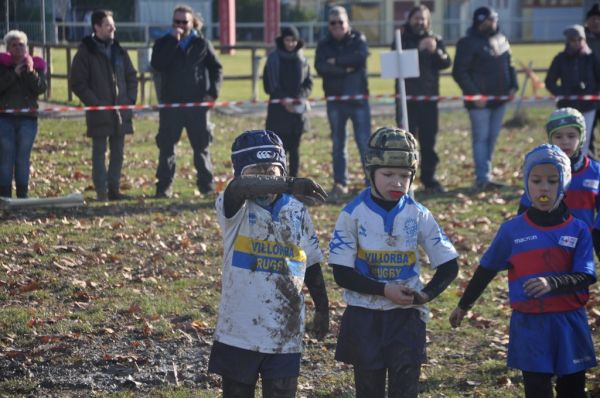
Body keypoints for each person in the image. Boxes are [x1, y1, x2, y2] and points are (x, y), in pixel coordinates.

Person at [450, 144, 597, 397]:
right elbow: (486, 269)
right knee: (537, 389)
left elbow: (586, 275)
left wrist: (552, 283)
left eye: (552, 181)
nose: (544, 188)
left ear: (563, 185)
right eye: (536, 180)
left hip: (569, 322)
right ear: (526, 183)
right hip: (530, 324)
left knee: (572, 389)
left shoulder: (579, 230)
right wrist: (463, 305)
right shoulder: (511, 231)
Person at [329, 127, 459, 397]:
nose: (397, 183)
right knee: (369, 390)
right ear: (371, 172)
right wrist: (384, 290)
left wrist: (425, 295)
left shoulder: (419, 214)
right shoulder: (352, 214)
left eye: (405, 176)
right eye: (388, 175)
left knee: (405, 391)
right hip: (364, 315)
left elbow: (449, 265)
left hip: (406, 318)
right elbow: (342, 274)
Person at [208, 130, 330, 398]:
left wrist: (322, 308)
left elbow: (310, 263)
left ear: (282, 170)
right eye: (255, 171)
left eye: (270, 170)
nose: (264, 178)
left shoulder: (297, 211)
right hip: (238, 331)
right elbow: (240, 188)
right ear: (240, 173)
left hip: (285, 333)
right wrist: (287, 184)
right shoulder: (233, 207)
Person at [151, 5, 223, 198]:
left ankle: (207, 187)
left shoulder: (201, 43)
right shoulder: (163, 43)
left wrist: (212, 93)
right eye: (177, 21)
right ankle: (164, 188)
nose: (180, 25)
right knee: (166, 148)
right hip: (171, 105)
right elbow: (157, 64)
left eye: (184, 22)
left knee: (201, 148)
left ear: (192, 23)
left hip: (196, 106)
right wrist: (173, 42)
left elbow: (217, 69)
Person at [70, 9, 138, 201]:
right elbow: (78, 83)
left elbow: (131, 76)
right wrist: (96, 103)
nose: (113, 28)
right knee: (99, 153)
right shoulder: (85, 52)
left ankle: (114, 189)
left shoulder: (119, 50)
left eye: (113, 24)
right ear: (97, 27)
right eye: (108, 25)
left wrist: (129, 100)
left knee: (118, 153)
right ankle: (102, 192)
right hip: (99, 112)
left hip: (120, 112)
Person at [452, 6, 518, 191]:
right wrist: (475, 94)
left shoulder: (502, 39)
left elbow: (509, 65)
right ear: (479, 21)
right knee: (481, 138)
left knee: (492, 138)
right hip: (479, 103)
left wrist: (513, 86)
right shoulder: (467, 42)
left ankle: (486, 174)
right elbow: (459, 72)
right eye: (488, 19)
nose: (492, 22)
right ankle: (483, 178)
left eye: (494, 19)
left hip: (500, 100)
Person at [393, 5, 451, 193]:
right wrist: (418, 50)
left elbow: (445, 63)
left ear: (428, 21)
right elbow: (396, 63)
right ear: (410, 19)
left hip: (429, 100)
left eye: (423, 18)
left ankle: (429, 179)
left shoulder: (436, 40)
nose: (420, 22)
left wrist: (436, 51)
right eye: (416, 18)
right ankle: (405, 178)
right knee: (406, 142)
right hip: (406, 100)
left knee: (429, 142)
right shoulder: (401, 38)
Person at [315, 5, 371, 199]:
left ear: (348, 22)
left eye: (341, 21)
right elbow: (321, 67)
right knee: (338, 144)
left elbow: (360, 58)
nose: (337, 25)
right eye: (333, 22)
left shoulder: (359, 39)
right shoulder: (323, 44)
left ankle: (371, 182)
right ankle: (340, 183)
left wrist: (335, 62)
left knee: (364, 143)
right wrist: (345, 68)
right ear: (329, 25)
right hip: (335, 100)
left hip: (358, 99)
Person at [518, 108, 600, 238]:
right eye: (558, 136)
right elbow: (525, 210)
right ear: (550, 139)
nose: (565, 141)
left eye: (571, 136)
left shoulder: (595, 172)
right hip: (548, 243)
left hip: (582, 244)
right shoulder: (541, 170)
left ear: (582, 137)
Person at [0, 30, 47, 198]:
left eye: (22, 45)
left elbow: (41, 88)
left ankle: (22, 194)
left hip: (28, 119)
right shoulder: (2, 66)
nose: (19, 48)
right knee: (6, 157)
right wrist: (14, 74)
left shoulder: (36, 65)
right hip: (5, 118)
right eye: (14, 45)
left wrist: (30, 72)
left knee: (23, 157)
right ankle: (4, 195)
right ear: (8, 48)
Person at [263, 26, 312, 177]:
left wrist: (300, 98)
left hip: (297, 112)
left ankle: (294, 180)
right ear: (282, 40)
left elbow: (308, 83)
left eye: (294, 40)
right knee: (279, 149)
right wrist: (285, 101)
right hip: (279, 112)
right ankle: (280, 180)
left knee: (295, 148)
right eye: (288, 40)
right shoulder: (273, 59)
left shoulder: (302, 60)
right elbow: (269, 85)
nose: (291, 43)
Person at [545, 24, 600, 157]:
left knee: (585, 140)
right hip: (567, 108)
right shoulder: (560, 59)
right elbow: (550, 81)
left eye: (579, 39)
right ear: (568, 41)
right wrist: (562, 93)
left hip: (588, 106)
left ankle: (583, 168)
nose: (576, 43)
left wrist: (593, 93)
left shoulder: (592, 58)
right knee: (567, 141)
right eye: (573, 40)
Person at [584, 3, 600, 155]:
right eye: (593, 18)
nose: (596, 22)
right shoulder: (581, 40)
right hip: (589, 93)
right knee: (588, 133)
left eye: (598, 19)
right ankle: (592, 165)